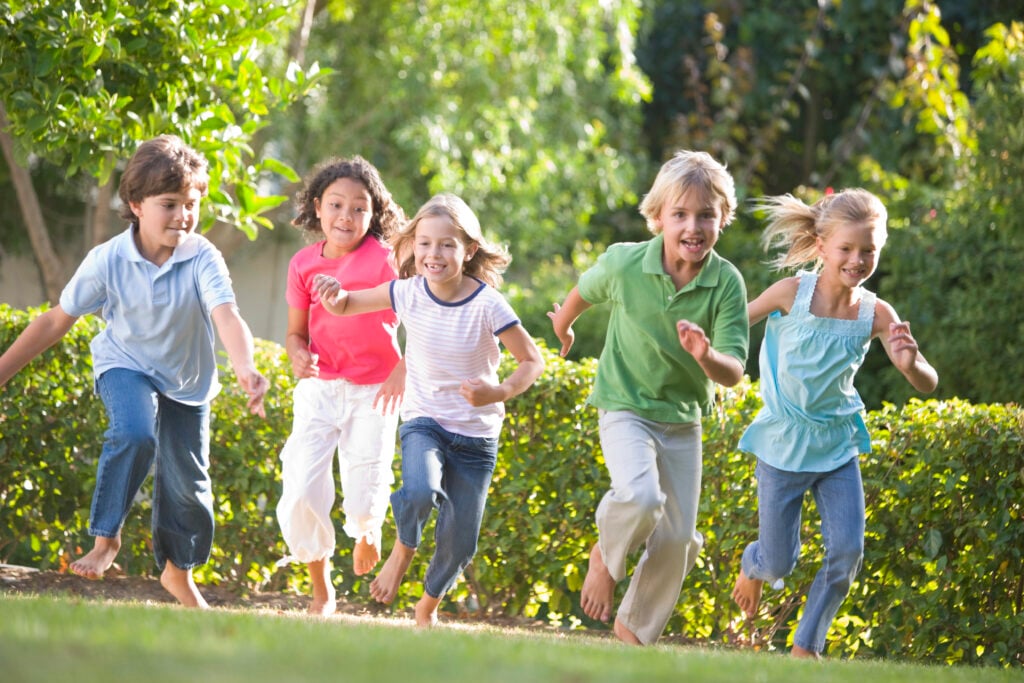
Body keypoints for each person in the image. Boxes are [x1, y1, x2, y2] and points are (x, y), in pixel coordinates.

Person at [0, 134, 269, 608]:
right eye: (170, 204)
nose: (184, 215)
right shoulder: (107, 260)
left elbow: (227, 315)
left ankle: (177, 573)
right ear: (135, 203)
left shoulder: (202, 256)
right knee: (135, 433)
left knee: (190, 487)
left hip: (187, 383)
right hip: (125, 366)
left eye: (192, 203)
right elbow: (54, 321)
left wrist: (245, 367)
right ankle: (106, 540)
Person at [311, 193, 545, 627]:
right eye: (423, 243)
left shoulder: (488, 304)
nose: (432, 254)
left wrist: (497, 392)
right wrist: (332, 293)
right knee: (419, 490)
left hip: (476, 436)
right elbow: (346, 303)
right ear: (412, 246)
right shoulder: (408, 292)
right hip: (426, 421)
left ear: (469, 250)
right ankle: (403, 548)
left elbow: (532, 360)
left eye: (446, 245)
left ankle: (426, 608)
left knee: (461, 541)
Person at [548, 150, 749, 645]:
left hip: (682, 420)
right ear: (657, 217)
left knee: (679, 539)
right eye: (680, 214)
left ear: (723, 218)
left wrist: (704, 355)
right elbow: (583, 291)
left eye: (706, 214)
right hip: (624, 407)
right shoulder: (625, 262)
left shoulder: (726, 284)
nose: (693, 226)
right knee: (640, 496)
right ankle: (605, 558)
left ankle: (633, 633)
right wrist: (562, 325)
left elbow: (734, 371)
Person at [730, 188, 938, 658]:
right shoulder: (791, 294)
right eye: (846, 248)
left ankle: (807, 645)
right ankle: (754, 563)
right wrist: (703, 349)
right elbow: (736, 324)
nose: (858, 259)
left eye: (869, 250)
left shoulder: (876, 313)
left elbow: (928, 381)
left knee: (847, 552)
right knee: (780, 559)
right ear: (822, 246)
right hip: (784, 444)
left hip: (837, 446)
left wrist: (910, 364)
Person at [275, 156, 407, 616]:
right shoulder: (302, 264)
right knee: (302, 486)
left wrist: (402, 369)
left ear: (374, 214)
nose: (346, 217)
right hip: (321, 386)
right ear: (318, 207)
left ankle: (367, 531)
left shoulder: (388, 260)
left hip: (376, 389)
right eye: (336, 205)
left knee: (365, 479)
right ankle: (321, 589)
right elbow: (296, 333)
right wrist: (295, 352)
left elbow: (425, 317)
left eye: (358, 208)